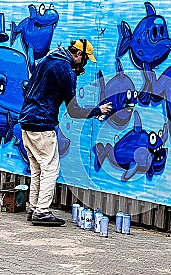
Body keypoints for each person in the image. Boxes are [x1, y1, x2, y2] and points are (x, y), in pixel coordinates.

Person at [19, 39, 112, 226]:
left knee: (37, 167)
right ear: (78, 55)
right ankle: (42, 211)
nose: (84, 64)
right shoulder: (65, 70)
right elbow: (73, 110)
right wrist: (97, 110)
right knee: (50, 168)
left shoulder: (47, 59)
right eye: (85, 59)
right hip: (42, 124)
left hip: (27, 121)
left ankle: (33, 207)